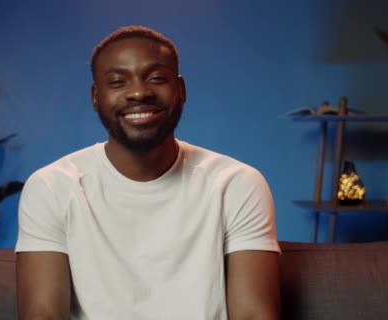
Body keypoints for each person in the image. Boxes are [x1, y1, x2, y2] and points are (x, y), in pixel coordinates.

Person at [15, 25, 280, 320]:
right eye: (117, 81)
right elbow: (42, 315)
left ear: (180, 90)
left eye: (156, 78)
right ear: (95, 96)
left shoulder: (235, 184)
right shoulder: (53, 187)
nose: (139, 92)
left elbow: (254, 315)